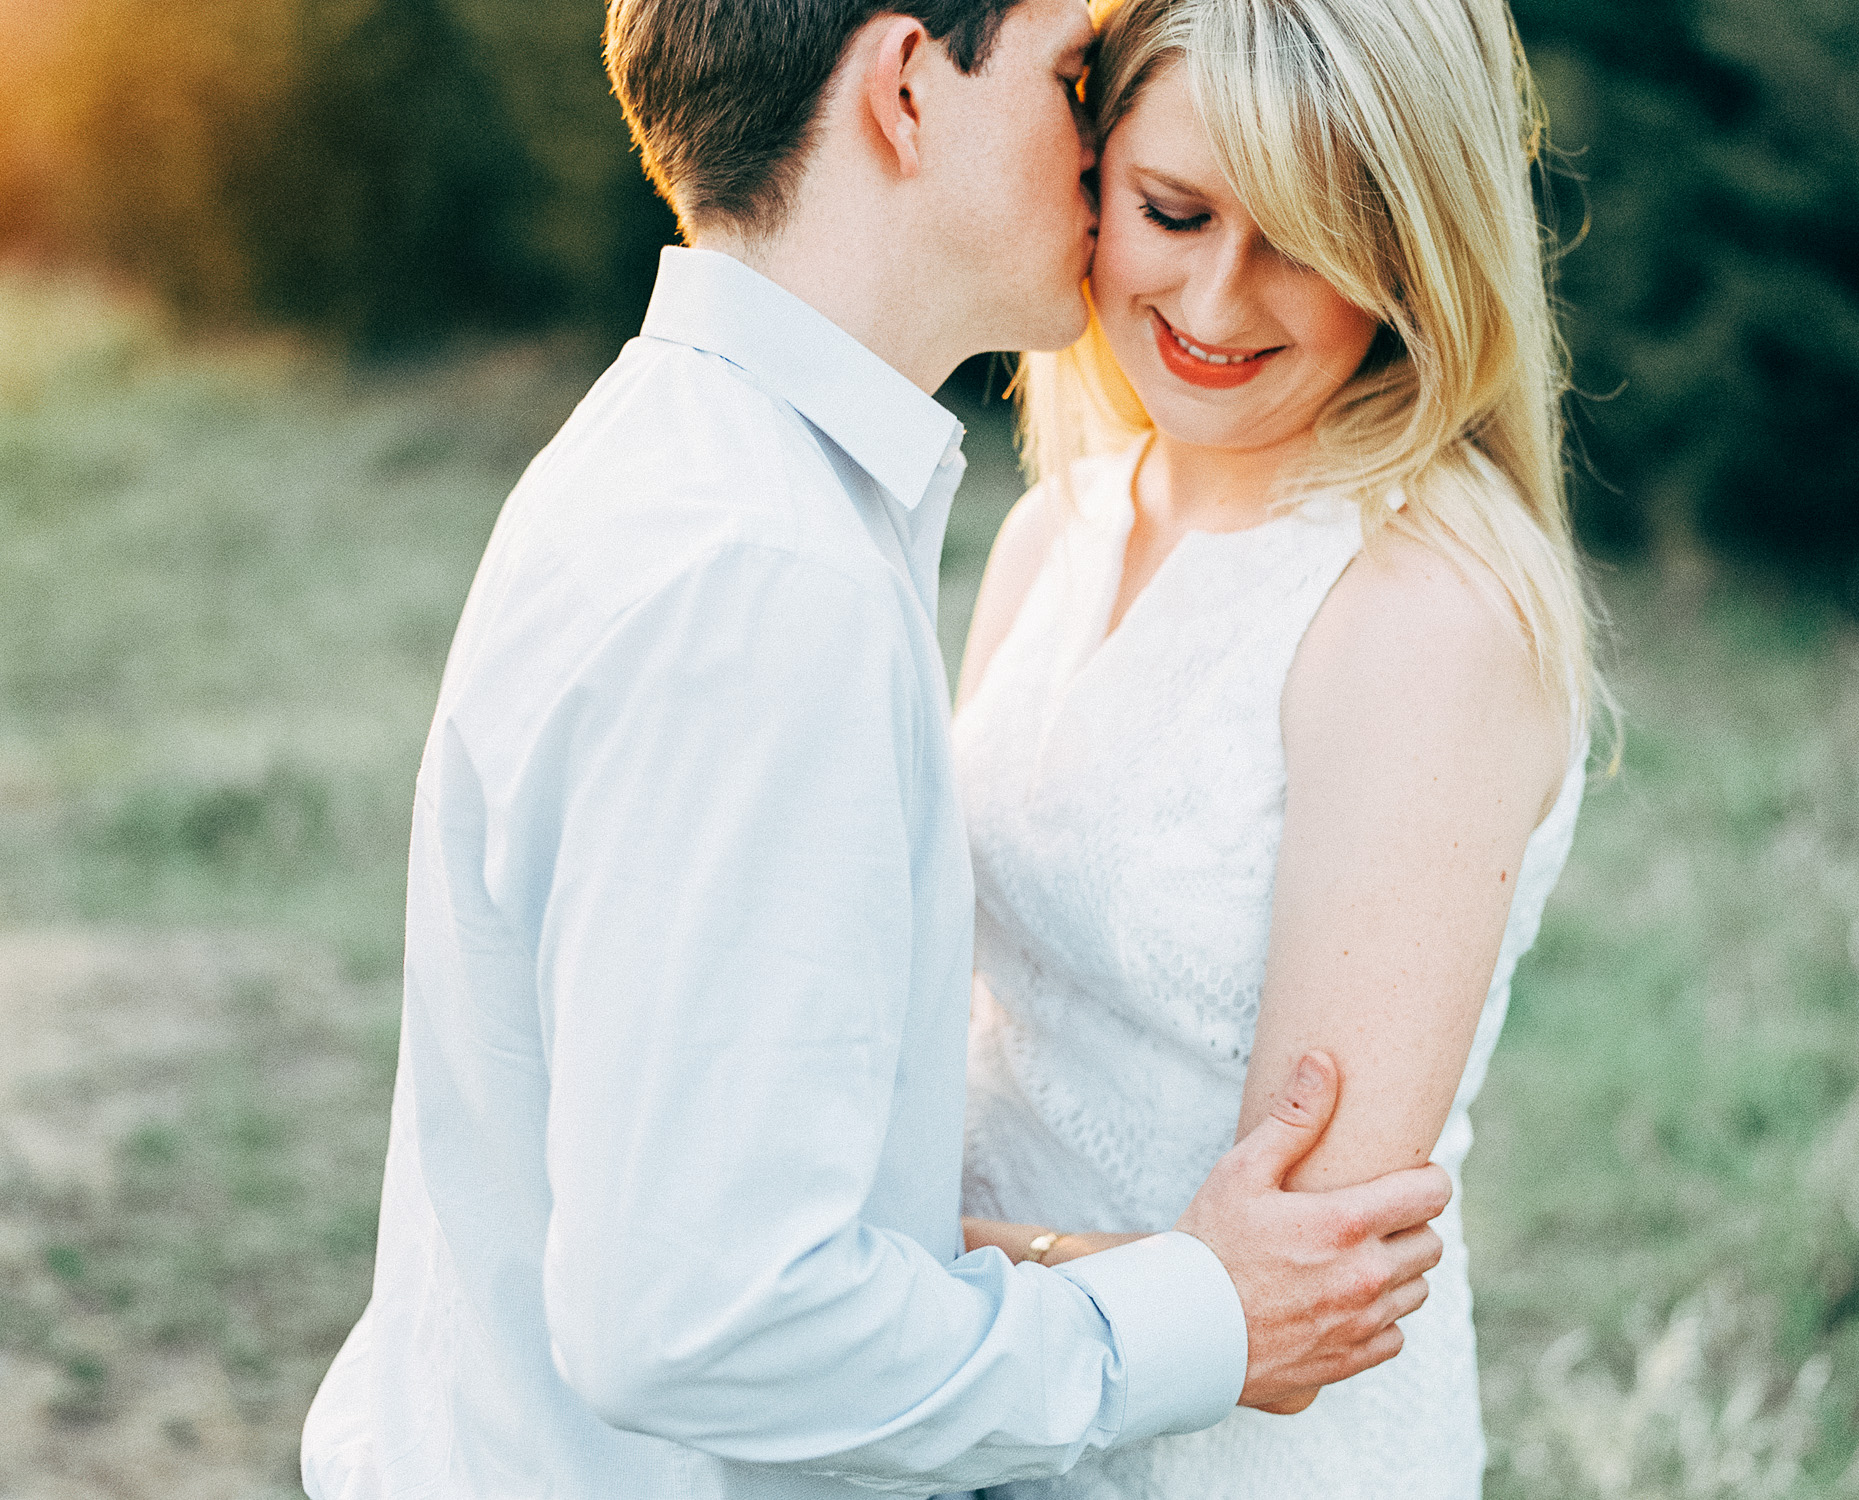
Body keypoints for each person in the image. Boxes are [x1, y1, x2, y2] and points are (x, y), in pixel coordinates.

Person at [299, 2, 1456, 1496]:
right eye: (1067, 80)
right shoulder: (758, 572)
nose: (1100, 157)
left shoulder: (680, 463)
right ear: (909, 87)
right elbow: (703, 1320)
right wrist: (1191, 1315)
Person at [953, 0, 1599, 1494]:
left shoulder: (1424, 609)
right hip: (996, 1411)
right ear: (1094, 171)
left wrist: (855, 1285)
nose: (1220, 298)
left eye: (1305, 241)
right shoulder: (1063, 525)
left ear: (1412, 259)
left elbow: (1295, 1315)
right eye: (1174, 211)